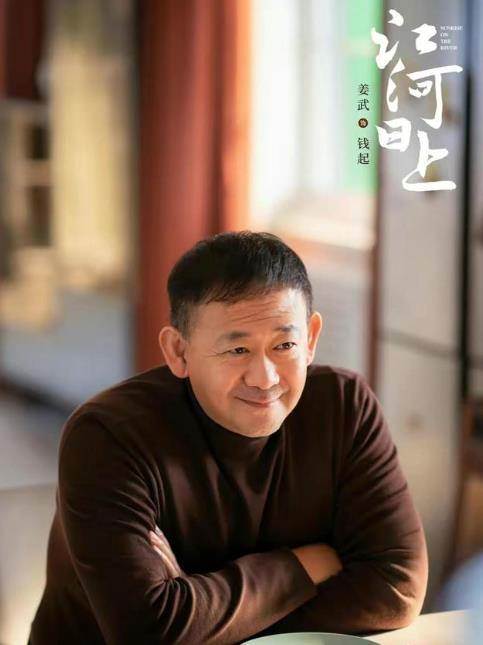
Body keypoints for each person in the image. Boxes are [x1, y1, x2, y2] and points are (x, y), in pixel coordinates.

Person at [29, 231, 428, 644]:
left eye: (284, 345)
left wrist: (199, 615)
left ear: (310, 338)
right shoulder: (107, 436)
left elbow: (396, 589)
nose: (265, 378)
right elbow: (148, 633)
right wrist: (301, 567)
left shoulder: (344, 406)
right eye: (237, 351)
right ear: (178, 352)